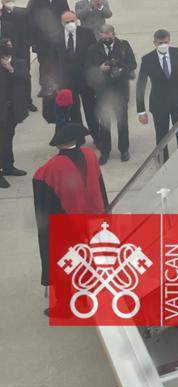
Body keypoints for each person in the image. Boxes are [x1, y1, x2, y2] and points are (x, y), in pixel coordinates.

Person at [32, 123, 108, 314]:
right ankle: (85, 299)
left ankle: (64, 306)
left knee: (64, 264)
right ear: (77, 139)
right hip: (93, 221)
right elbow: (101, 188)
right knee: (88, 261)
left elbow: (44, 208)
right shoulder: (90, 155)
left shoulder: (48, 170)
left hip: (67, 225)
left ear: (58, 144)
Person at [136, 30, 178, 155]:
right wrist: (141, 111)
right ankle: (163, 161)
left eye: (166, 42)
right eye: (160, 43)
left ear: (169, 41)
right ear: (154, 43)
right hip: (159, 104)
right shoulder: (147, 60)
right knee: (161, 136)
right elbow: (141, 86)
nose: (163, 45)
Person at [84, 24, 136, 164]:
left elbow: (132, 64)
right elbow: (87, 69)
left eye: (108, 33)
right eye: (103, 33)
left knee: (122, 121)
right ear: (100, 34)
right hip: (103, 91)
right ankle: (105, 151)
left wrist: (121, 70)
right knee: (104, 123)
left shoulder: (123, 46)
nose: (106, 36)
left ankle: (124, 149)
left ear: (113, 33)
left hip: (120, 90)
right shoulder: (93, 49)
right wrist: (99, 69)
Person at [27, 0, 72, 96]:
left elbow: (66, 16)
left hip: (59, 38)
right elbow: (30, 24)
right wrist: (33, 42)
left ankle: (61, 85)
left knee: (60, 62)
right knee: (45, 64)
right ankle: (45, 86)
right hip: (42, 41)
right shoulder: (34, 2)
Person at [53, 11, 95, 125]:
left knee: (91, 110)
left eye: (72, 21)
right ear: (62, 23)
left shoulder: (87, 33)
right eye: (67, 22)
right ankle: (78, 133)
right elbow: (53, 61)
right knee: (73, 111)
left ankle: (95, 133)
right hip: (67, 82)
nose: (70, 23)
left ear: (76, 20)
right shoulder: (56, 37)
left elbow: (94, 55)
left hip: (86, 80)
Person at [0, 38, 30, 185]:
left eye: (10, 45)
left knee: (8, 137)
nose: (8, 48)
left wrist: (10, 68)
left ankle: (8, 166)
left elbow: (24, 78)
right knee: (2, 140)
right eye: (5, 46)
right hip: (1, 108)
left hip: (13, 109)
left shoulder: (19, 63)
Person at [1, 0, 33, 111]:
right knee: (8, 76)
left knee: (26, 75)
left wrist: (28, 44)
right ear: (2, 2)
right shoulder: (1, 15)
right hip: (7, 51)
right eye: (7, 1)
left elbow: (30, 28)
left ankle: (28, 101)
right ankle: (12, 102)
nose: (10, 3)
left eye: (11, 0)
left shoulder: (23, 12)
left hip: (22, 50)